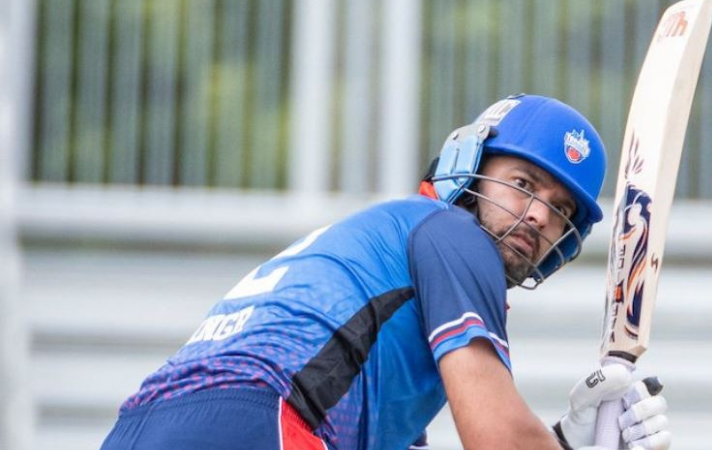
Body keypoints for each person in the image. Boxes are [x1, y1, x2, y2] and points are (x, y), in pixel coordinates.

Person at [100, 94, 670, 450]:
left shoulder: (387, 277)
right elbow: (496, 440)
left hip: (138, 427)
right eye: (523, 184)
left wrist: (565, 441)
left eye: (562, 210)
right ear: (468, 166)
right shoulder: (453, 233)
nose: (540, 215)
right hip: (258, 422)